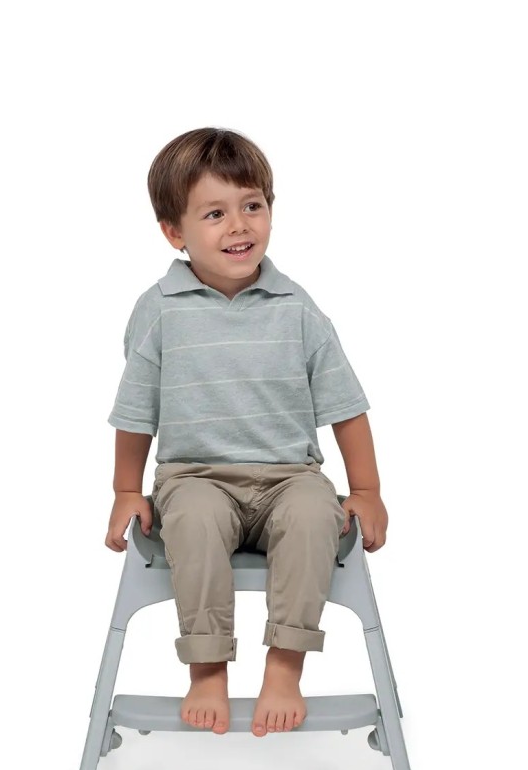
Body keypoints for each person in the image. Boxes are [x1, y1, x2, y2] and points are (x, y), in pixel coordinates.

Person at [105, 127, 388, 737]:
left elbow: (346, 407)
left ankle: (285, 668)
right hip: (196, 476)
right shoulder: (159, 310)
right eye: (215, 213)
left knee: (313, 514)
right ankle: (207, 668)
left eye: (252, 205)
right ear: (174, 232)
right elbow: (135, 412)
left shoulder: (297, 307)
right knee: (195, 520)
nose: (239, 226)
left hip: (290, 477)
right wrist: (127, 490)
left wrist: (366, 490)